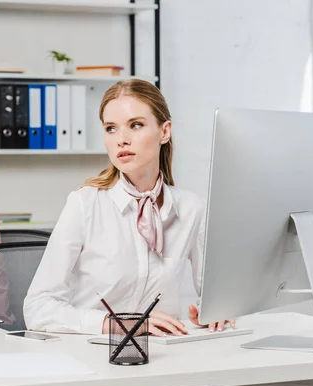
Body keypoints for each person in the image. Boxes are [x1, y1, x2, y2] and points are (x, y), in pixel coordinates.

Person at [23, 79, 234, 336]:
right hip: (94, 354)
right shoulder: (85, 204)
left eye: (135, 125)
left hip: (165, 354)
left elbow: (217, 299)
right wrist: (117, 324)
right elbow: (37, 308)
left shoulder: (191, 209)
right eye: (111, 129)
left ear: (164, 131)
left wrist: (211, 315)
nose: (122, 140)